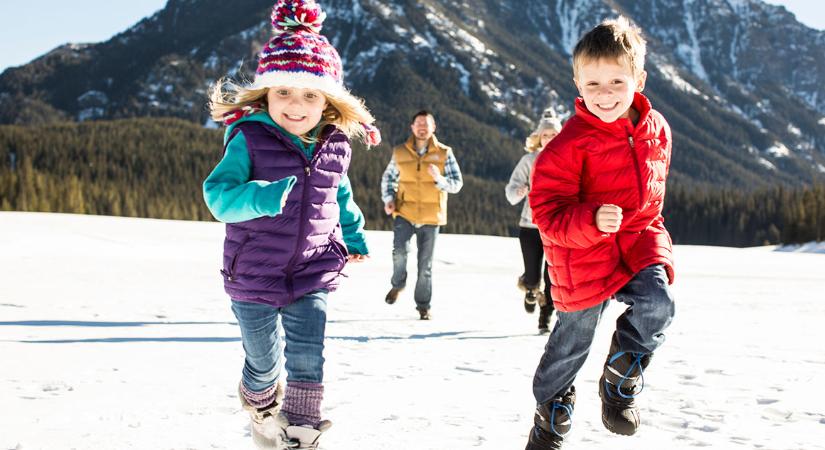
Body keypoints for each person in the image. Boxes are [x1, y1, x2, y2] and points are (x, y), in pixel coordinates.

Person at [203, 1, 380, 448]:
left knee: (307, 357)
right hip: (254, 274)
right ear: (265, 95)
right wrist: (261, 198)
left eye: (309, 95)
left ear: (328, 100)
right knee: (264, 363)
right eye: (283, 92)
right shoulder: (250, 138)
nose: (295, 105)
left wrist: (354, 235)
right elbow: (218, 196)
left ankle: (301, 432)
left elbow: (339, 194)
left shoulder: (336, 145)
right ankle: (260, 402)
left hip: (313, 269)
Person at [524, 17, 676, 449]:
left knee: (658, 305)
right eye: (592, 85)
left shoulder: (656, 129)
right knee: (571, 342)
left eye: (616, 82)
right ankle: (550, 413)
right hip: (582, 254)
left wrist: (650, 237)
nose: (604, 95)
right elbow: (547, 211)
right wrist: (590, 221)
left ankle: (621, 375)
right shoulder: (568, 144)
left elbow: (653, 193)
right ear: (576, 82)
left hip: (638, 240)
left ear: (639, 79)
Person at [380, 110, 463, 320]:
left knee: (425, 265)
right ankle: (398, 285)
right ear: (412, 127)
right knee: (399, 252)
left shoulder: (444, 153)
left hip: (431, 216)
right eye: (418, 123)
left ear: (433, 128)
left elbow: (456, 184)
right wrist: (388, 198)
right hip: (404, 211)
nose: (422, 127)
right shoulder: (400, 152)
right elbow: (388, 178)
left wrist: (439, 179)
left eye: (426, 124)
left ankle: (423, 306)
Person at [505, 111, 562, 333]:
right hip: (530, 225)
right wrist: (521, 191)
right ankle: (529, 288)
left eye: (554, 134)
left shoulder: (568, 158)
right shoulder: (529, 161)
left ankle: (545, 318)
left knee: (552, 276)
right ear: (539, 137)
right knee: (532, 274)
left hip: (557, 226)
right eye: (545, 134)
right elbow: (511, 191)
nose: (549, 138)